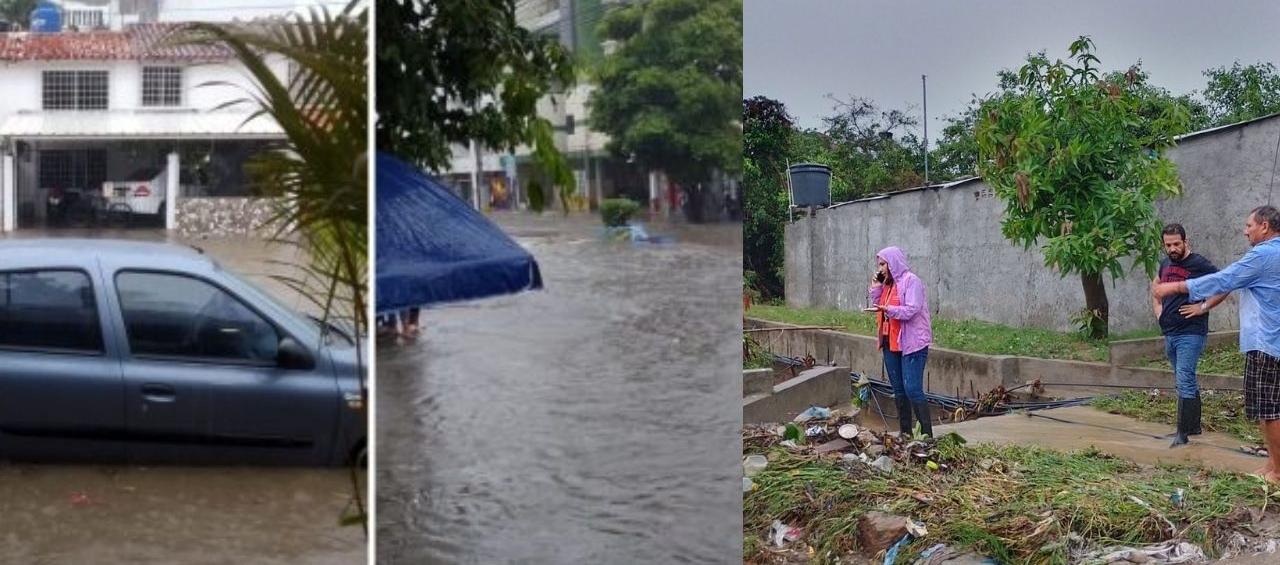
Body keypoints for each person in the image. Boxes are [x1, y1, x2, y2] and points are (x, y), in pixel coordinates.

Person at [1153, 205, 1280, 481]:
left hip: (1265, 341)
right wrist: (1160, 307)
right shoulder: (1272, 254)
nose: (1245, 231)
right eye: (1167, 244)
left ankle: (1277, 470)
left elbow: (1225, 280)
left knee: (1270, 410)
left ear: (1265, 226)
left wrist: (1181, 291)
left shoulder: (1262, 255)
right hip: (1263, 341)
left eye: (1249, 225)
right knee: (1266, 408)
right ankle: (1272, 464)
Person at [1152, 223, 1229, 447]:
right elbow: (1156, 287)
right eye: (1168, 245)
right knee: (1183, 377)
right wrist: (1159, 311)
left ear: (1186, 242)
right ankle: (1193, 426)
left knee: (1184, 377)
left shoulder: (1199, 264)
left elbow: (1225, 285)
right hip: (1170, 331)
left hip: (1191, 332)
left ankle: (1182, 433)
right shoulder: (1165, 264)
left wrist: (1202, 307)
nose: (1172, 249)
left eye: (1177, 244)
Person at [867, 246, 934, 436]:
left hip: (912, 343)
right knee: (899, 390)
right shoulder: (888, 285)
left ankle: (927, 436)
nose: (880, 268)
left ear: (893, 263)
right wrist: (876, 287)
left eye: (883, 264)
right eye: (879, 265)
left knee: (912, 388)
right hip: (890, 342)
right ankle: (905, 434)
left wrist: (889, 310)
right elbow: (879, 304)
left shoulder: (911, 281)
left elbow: (912, 309)